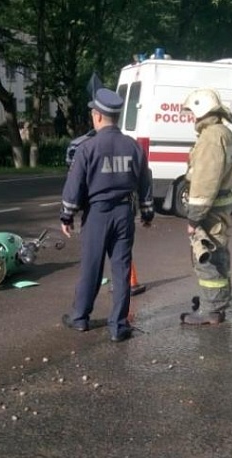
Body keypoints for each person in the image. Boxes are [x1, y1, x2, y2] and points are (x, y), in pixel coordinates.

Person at [60, 88, 154, 342]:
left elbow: (74, 186)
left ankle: (80, 318)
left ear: (97, 116)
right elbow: (145, 182)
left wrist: (67, 216)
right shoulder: (133, 147)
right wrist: (147, 213)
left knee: (91, 266)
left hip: (97, 214)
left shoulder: (87, 148)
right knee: (121, 268)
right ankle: (119, 326)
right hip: (125, 213)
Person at [178, 88, 232, 325]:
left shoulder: (211, 137)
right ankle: (215, 301)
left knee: (207, 256)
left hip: (210, 210)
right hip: (221, 205)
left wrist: (193, 219)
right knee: (219, 253)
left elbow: (205, 181)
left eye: (192, 113)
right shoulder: (225, 133)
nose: (192, 118)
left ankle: (211, 310)